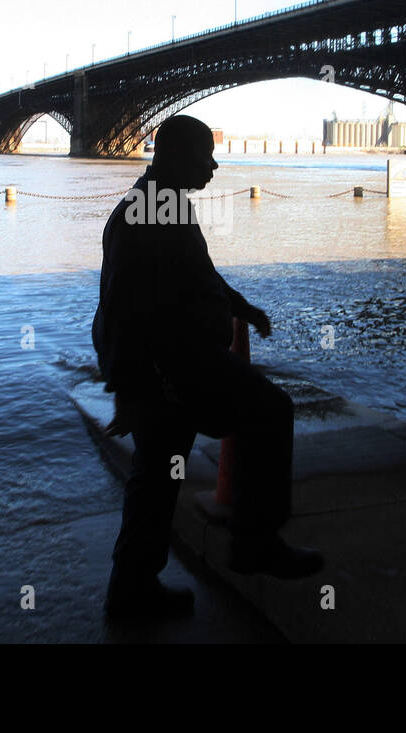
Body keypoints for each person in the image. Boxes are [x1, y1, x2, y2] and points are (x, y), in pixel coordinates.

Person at [92, 114, 325, 619]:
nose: (214, 165)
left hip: (169, 369)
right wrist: (131, 389)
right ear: (174, 154)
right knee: (269, 410)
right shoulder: (149, 213)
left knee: (155, 480)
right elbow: (120, 307)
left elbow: (199, 277)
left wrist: (239, 307)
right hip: (174, 370)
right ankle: (255, 541)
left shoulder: (162, 204)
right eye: (205, 154)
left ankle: (131, 589)